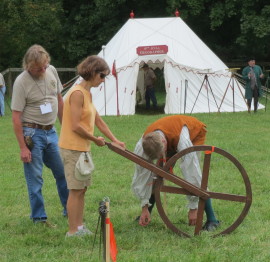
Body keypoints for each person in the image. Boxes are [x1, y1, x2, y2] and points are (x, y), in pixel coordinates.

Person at [59, 55, 125, 237]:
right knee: (75, 190)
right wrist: (95, 139)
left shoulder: (87, 94)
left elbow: (98, 120)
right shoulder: (77, 93)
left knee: (82, 189)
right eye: (102, 76)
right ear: (92, 73)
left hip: (83, 148)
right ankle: (73, 231)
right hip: (72, 148)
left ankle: (80, 227)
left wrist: (115, 139)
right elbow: (75, 125)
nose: (103, 80)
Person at [11, 44, 69, 227]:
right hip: (32, 134)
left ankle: (70, 209)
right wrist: (22, 147)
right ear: (28, 65)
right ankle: (39, 217)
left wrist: (66, 129)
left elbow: (59, 100)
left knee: (63, 173)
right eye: (38, 68)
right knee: (35, 177)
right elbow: (15, 116)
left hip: (51, 132)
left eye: (44, 66)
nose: (42, 70)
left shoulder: (51, 70)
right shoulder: (21, 82)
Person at [132, 115, 219, 231]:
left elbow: (192, 174)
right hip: (169, 143)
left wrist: (193, 208)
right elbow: (142, 175)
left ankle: (212, 220)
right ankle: (148, 212)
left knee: (196, 174)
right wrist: (144, 207)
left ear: (163, 143)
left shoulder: (183, 141)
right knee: (157, 175)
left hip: (193, 134)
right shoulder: (143, 145)